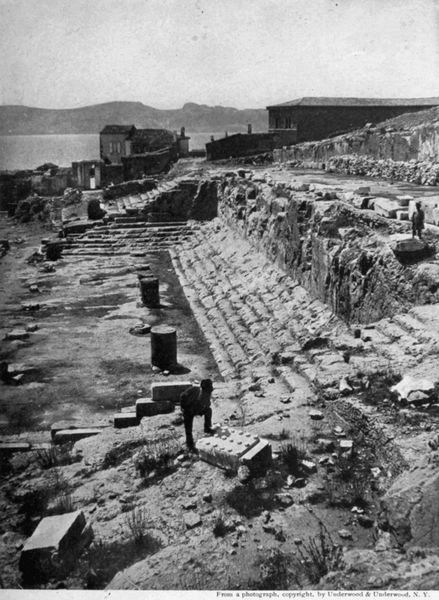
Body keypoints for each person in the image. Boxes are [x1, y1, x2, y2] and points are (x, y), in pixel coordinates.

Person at [180, 379, 215, 452]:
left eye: (209, 392)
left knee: (209, 411)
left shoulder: (207, 393)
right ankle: (189, 443)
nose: (208, 393)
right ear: (202, 389)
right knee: (188, 427)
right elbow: (182, 396)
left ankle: (207, 428)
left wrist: (204, 406)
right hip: (189, 410)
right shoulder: (193, 391)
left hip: (198, 408)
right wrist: (184, 408)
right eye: (206, 392)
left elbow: (208, 404)